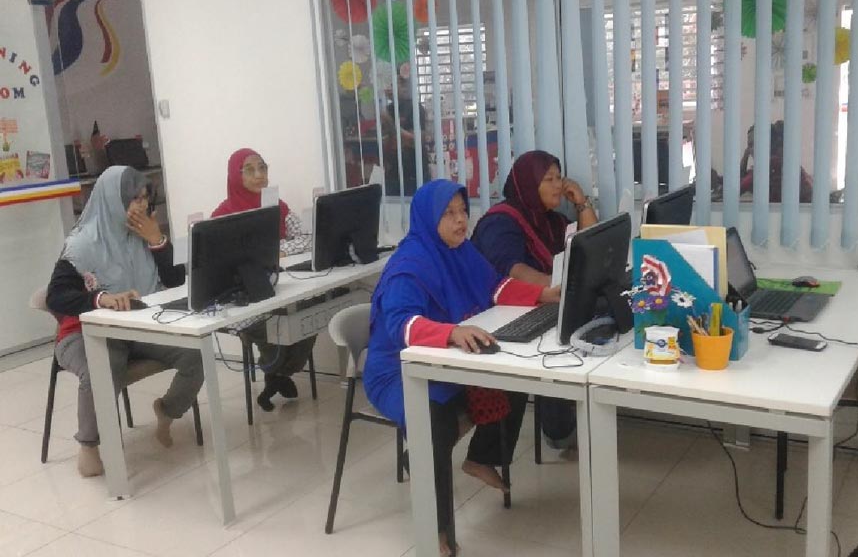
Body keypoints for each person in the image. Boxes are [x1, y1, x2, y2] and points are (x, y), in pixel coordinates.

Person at [364, 179, 559, 556]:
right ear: (428, 218)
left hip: (445, 358)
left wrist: (542, 294)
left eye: (463, 211)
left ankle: (480, 456)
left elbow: (496, 287)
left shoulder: (461, 250)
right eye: (449, 213)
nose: (460, 220)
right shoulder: (409, 265)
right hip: (396, 371)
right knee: (434, 424)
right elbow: (402, 325)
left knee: (514, 376)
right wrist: (451, 332)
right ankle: (436, 530)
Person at [46, 166, 205, 477]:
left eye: (145, 198)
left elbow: (176, 280)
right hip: (84, 333)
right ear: (111, 201)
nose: (141, 206)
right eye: (133, 199)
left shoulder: (142, 234)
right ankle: (89, 445)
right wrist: (101, 298)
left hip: (137, 323)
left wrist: (157, 240)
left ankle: (167, 410)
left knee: (194, 354)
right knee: (106, 365)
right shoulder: (82, 243)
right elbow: (56, 297)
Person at [472, 150, 596, 451]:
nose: (558, 185)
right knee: (556, 345)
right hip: (500, 312)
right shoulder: (500, 221)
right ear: (528, 184)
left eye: (559, 177)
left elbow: (590, 244)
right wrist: (557, 288)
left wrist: (582, 203)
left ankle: (568, 421)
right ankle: (559, 429)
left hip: (536, 303)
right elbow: (512, 269)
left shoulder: (549, 220)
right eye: (548, 179)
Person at [212, 148, 317, 411]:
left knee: (309, 316)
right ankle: (273, 370)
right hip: (245, 301)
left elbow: (307, 238)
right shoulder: (224, 215)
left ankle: (278, 376)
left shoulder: (276, 206)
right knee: (278, 330)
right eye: (250, 170)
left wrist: (277, 251)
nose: (259, 175)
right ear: (235, 176)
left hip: (277, 289)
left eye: (262, 168)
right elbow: (218, 263)